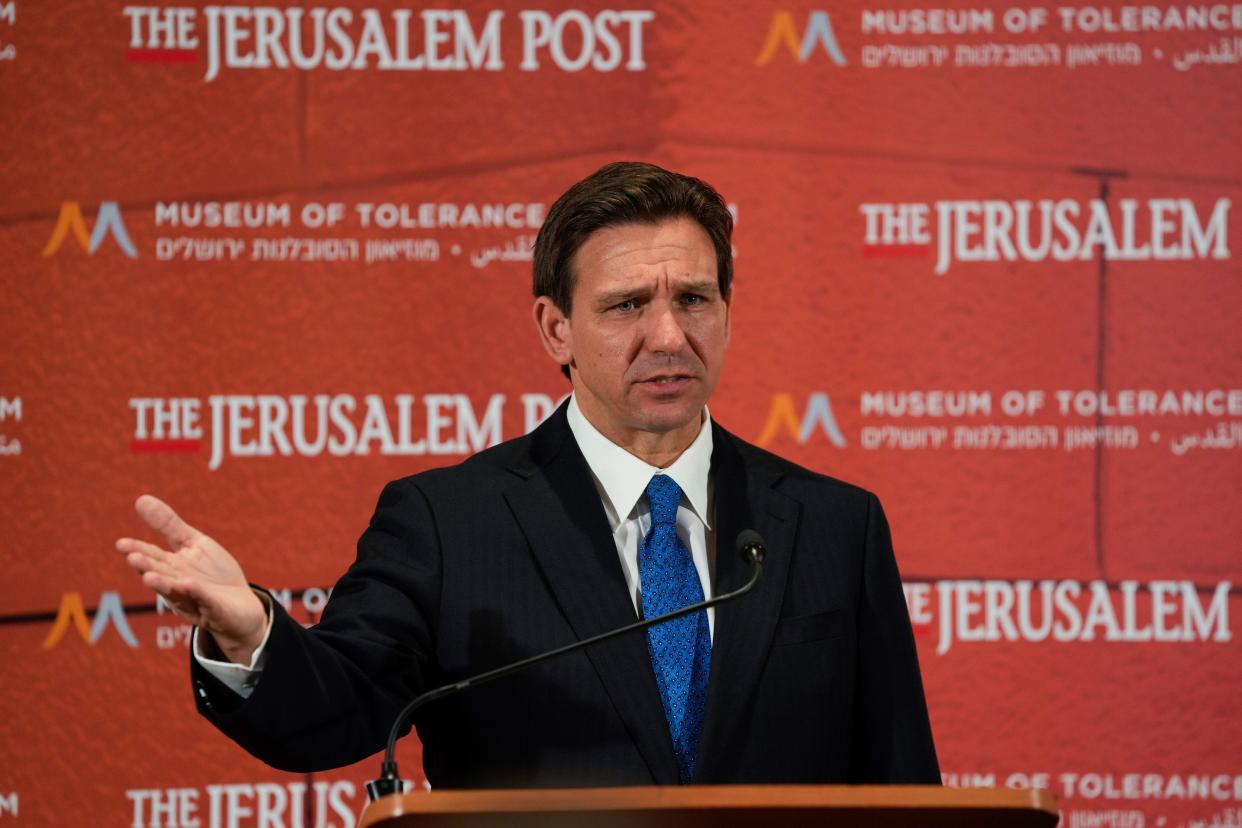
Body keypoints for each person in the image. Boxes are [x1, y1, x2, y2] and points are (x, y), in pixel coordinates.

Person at [118, 162, 940, 787]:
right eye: (626, 306)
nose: (666, 335)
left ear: (727, 311)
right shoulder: (449, 524)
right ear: (556, 329)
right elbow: (338, 713)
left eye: (693, 299)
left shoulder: (834, 525)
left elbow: (904, 783)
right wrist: (250, 634)